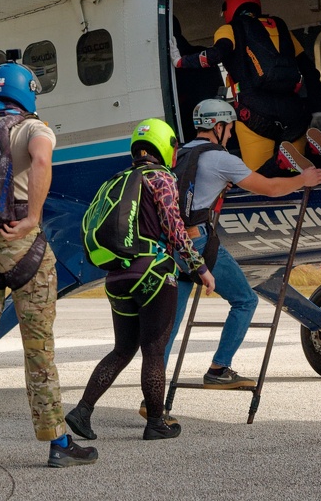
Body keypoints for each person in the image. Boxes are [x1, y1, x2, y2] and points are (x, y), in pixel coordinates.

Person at [0, 61, 98, 473]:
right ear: (27, 92)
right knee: (38, 348)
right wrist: (31, 217)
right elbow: (42, 162)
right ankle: (58, 442)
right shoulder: (34, 128)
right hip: (22, 247)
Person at [158, 99, 321, 397]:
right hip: (197, 242)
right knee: (245, 300)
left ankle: (153, 394)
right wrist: (303, 179)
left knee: (171, 322)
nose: (232, 135)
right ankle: (219, 369)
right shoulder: (221, 159)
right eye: (230, 128)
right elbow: (271, 188)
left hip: (172, 245)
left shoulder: (180, 154)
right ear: (218, 127)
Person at [65, 119, 217, 442]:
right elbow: (175, 229)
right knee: (153, 350)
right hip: (153, 274)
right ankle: (156, 423)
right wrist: (199, 267)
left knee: (122, 349)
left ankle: (82, 411)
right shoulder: (161, 177)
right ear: (166, 146)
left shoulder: (117, 180)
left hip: (116, 278)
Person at [170, 0, 321, 175]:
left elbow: (216, 54)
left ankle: (281, 162)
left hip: (254, 111)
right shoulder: (281, 27)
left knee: (257, 178)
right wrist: (317, 110)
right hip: (294, 110)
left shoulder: (230, 29)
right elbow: (310, 71)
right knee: (299, 176)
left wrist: (181, 61)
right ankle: (309, 149)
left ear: (229, 9)